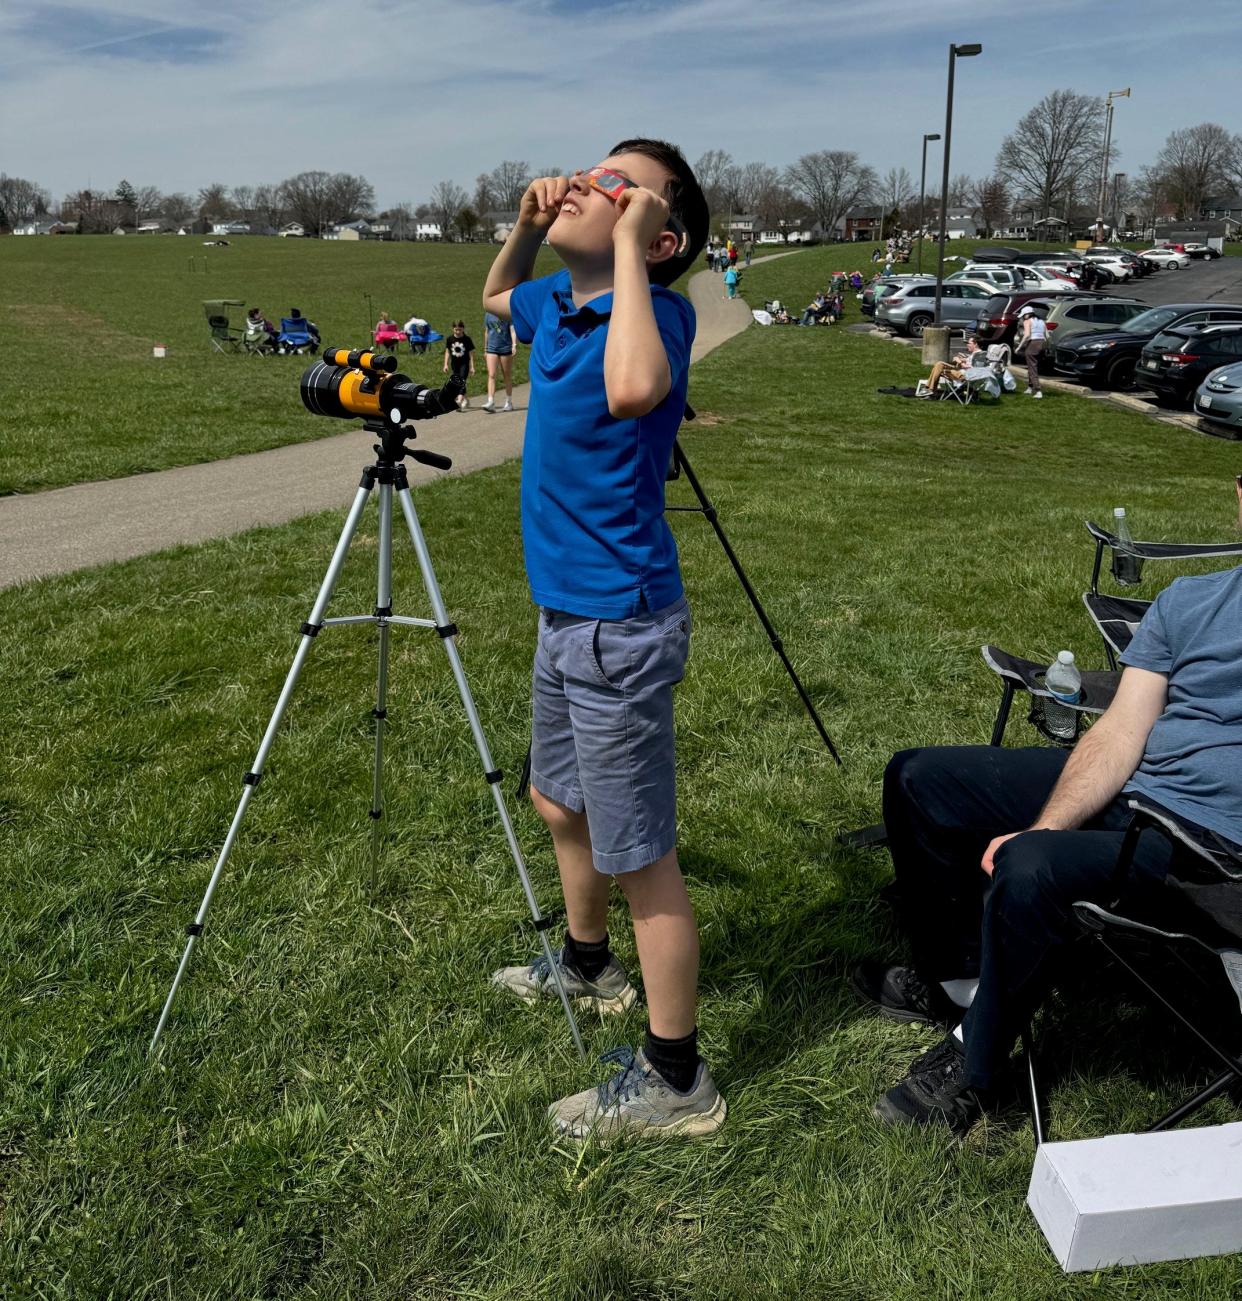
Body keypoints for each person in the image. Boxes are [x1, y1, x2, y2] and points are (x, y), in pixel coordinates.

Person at [854, 479, 1242, 1139]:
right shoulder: (1190, 600)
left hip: (1207, 849)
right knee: (921, 778)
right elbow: (1121, 731)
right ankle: (961, 982)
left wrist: (1037, 843)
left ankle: (973, 1062)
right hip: (1138, 792)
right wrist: (1050, 821)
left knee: (1032, 866)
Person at [481, 140, 722, 1142]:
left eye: (619, 185)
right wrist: (530, 227)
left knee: (640, 857)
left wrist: (626, 249)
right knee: (556, 797)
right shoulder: (555, 304)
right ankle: (589, 964)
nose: (589, 183)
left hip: (620, 622)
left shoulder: (656, 313)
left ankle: (678, 1080)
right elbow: (498, 297)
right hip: (564, 614)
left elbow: (631, 392)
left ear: (657, 237)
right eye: (591, 169)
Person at [919, 335, 986, 396]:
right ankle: (930, 389)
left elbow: (972, 368)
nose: (967, 345)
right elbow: (972, 363)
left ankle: (930, 389)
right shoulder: (979, 354)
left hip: (963, 376)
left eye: (969, 343)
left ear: (976, 344)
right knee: (939, 364)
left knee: (939, 366)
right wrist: (963, 359)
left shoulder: (978, 355)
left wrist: (959, 362)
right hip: (962, 373)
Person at [482, 309, 517, 412]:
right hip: (491, 349)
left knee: (506, 374)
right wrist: (485, 348)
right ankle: (490, 402)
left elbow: (512, 330)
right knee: (491, 374)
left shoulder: (507, 314)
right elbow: (487, 331)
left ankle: (509, 402)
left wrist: (514, 345)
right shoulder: (488, 314)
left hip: (506, 348)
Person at [443, 320, 475, 408]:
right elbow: (447, 352)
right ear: (453, 329)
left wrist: (472, 366)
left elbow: (471, 353)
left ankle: (459, 400)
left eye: (460, 330)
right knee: (457, 382)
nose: (458, 332)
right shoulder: (449, 339)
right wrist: (445, 364)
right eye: (456, 329)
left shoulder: (467, 339)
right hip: (454, 364)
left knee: (461, 381)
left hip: (464, 364)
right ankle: (466, 399)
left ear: (463, 329)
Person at [1017, 305, 1046, 398]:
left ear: (1027, 314)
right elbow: (1047, 336)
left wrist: (1019, 347)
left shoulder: (1027, 321)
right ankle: (1030, 388)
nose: (1022, 317)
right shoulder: (1041, 321)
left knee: (1032, 368)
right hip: (1041, 344)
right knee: (1032, 367)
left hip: (1032, 344)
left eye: (1023, 315)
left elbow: (1027, 335)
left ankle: (1038, 391)